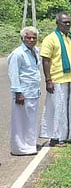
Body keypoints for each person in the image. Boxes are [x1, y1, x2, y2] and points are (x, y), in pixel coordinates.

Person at [39, 12, 71, 147]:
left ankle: (69, 135)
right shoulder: (51, 39)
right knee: (58, 109)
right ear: (57, 23)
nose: (68, 24)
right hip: (57, 79)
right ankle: (55, 138)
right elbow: (46, 59)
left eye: (69, 22)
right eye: (65, 22)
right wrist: (48, 80)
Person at [8, 27, 41, 156]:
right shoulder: (18, 54)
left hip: (33, 91)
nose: (31, 40)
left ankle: (30, 145)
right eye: (28, 37)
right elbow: (14, 74)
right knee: (20, 121)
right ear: (23, 38)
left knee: (31, 120)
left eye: (34, 37)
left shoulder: (35, 51)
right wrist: (18, 92)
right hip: (23, 93)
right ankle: (19, 148)